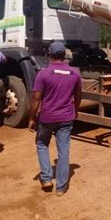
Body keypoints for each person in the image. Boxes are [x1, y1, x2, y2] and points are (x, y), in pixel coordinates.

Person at [28, 42, 82, 196]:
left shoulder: (43, 74)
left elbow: (36, 98)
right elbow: (78, 95)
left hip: (47, 118)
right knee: (63, 151)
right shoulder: (75, 73)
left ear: (49, 54)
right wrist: (75, 110)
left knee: (41, 143)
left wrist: (31, 118)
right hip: (66, 117)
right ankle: (61, 187)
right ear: (64, 55)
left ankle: (46, 179)